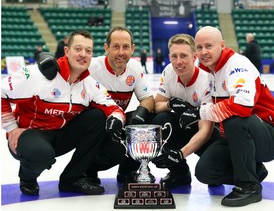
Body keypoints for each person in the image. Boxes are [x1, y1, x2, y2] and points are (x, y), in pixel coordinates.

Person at [1, 30, 126, 196]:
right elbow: (2, 93)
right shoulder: (37, 75)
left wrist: (116, 119)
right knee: (41, 154)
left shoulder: (89, 84)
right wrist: (12, 128)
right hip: (30, 134)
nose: (83, 55)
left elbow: (113, 107)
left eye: (88, 51)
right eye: (78, 49)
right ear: (67, 51)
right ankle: (27, 178)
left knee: (97, 116)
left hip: (61, 135)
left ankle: (72, 178)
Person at [191, 26, 274, 207]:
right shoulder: (208, 71)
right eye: (199, 47)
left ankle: (249, 185)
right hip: (236, 135)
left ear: (222, 45)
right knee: (205, 172)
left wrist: (199, 113)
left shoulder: (237, 64)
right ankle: (254, 171)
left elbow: (242, 106)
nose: (203, 52)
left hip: (271, 135)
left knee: (235, 119)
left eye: (209, 46)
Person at [86, 26, 155, 184]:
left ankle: (127, 169)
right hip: (95, 126)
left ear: (132, 49)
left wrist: (140, 114)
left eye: (125, 47)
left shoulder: (135, 68)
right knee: (94, 118)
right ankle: (87, 169)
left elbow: (148, 99)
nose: (121, 52)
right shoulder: (92, 67)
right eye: (116, 47)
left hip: (117, 122)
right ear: (106, 48)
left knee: (145, 119)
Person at [151, 34, 220, 189]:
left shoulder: (207, 80)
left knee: (211, 175)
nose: (178, 62)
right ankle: (179, 172)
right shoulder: (169, 71)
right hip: (182, 126)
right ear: (169, 57)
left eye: (183, 56)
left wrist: (180, 154)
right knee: (160, 120)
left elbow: (205, 131)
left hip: (206, 133)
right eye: (174, 56)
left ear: (195, 57)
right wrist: (171, 103)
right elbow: (157, 106)